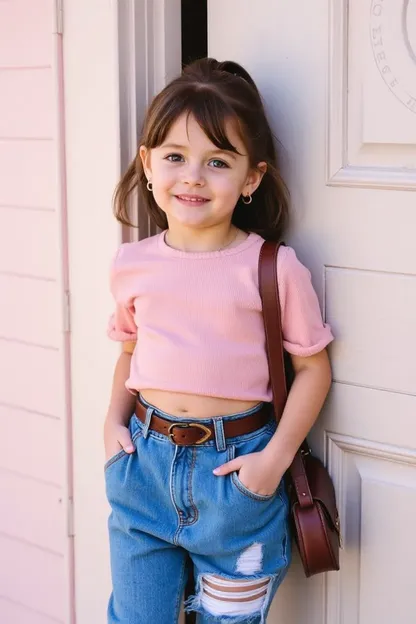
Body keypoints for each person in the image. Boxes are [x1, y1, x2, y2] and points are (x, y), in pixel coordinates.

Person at [104, 57, 334, 624]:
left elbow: (313, 371)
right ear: (148, 164)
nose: (193, 177)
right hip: (143, 472)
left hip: (236, 478)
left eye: (218, 161)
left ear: (251, 178)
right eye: (175, 157)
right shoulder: (131, 263)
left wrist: (272, 462)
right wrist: (111, 425)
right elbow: (130, 352)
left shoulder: (273, 267)